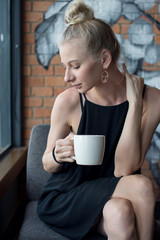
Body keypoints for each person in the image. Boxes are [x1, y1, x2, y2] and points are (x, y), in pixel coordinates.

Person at [37, 0, 160, 239]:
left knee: (120, 213)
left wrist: (134, 105)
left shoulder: (152, 100)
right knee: (142, 185)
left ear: (104, 60)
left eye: (75, 66)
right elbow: (47, 163)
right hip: (67, 196)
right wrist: (56, 155)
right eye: (65, 67)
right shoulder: (69, 101)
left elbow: (125, 168)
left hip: (117, 196)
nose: (66, 77)